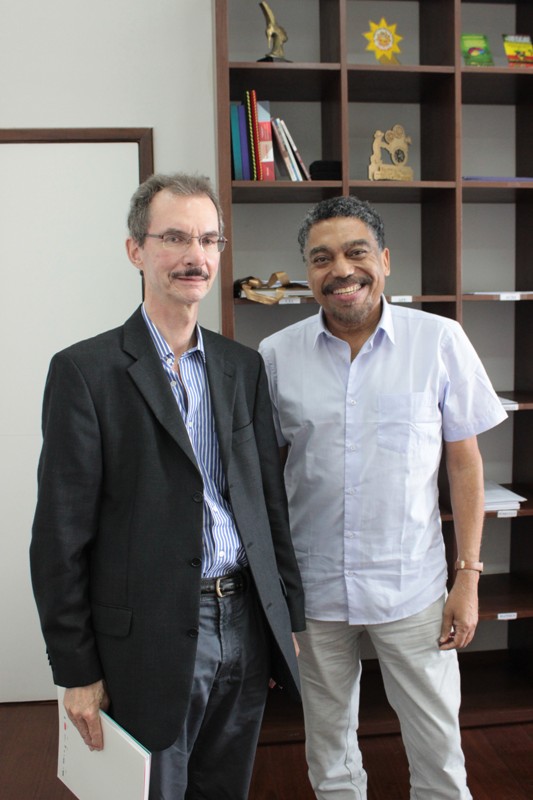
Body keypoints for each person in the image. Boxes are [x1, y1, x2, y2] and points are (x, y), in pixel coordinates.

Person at [30, 172, 305, 800]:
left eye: (208, 240)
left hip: (245, 618)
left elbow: (268, 503)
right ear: (136, 250)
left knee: (224, 787)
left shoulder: (241, 366)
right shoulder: (85, 372)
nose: (195, 256)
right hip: (148, 633)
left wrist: (281, 615)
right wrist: (75, 669)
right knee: (157, 789)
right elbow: (59, 538)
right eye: (175, 238)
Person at [258, 195, 507, 800]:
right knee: (329, 755)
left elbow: (465, 463)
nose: (341, 270)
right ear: (308, 271)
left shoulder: (439, 340)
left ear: (386, 261)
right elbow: (263, 479)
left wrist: (468, 578)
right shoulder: (276, 355)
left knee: (439, 754)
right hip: (314, 591)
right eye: (322, 258)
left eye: (356, 252)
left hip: (413, 588)